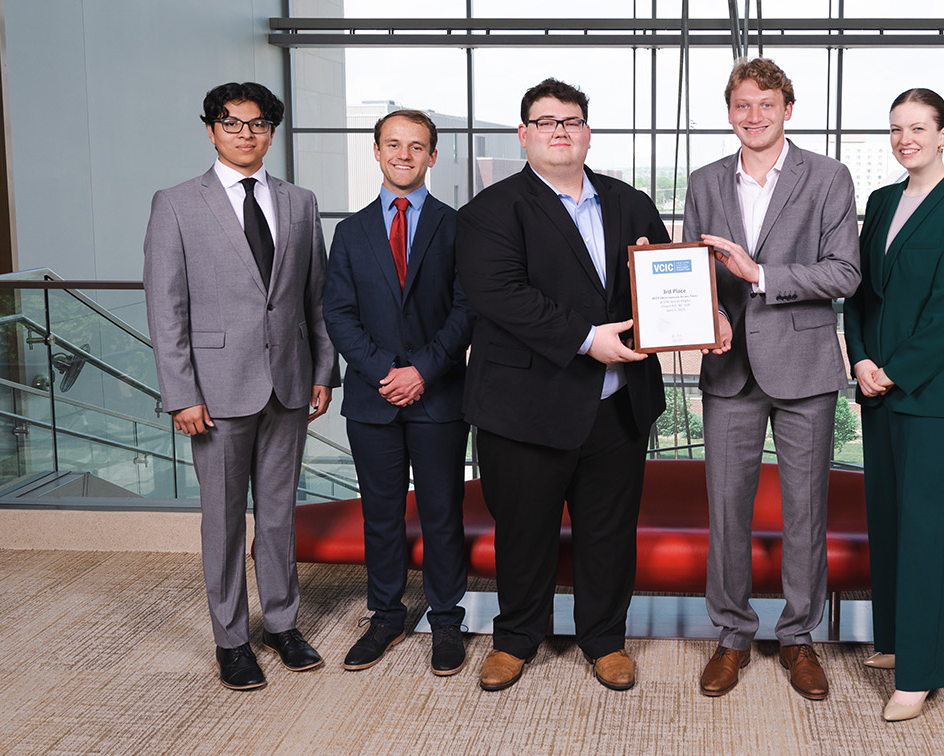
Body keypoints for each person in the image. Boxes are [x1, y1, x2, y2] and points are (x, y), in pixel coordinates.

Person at [456, 78, 669, 693]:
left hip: (616, 405)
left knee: (609, 532)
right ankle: (517, 638)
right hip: (525, 409)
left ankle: (603, 640)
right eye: (544, 121)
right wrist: (587, 339)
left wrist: (697, 314)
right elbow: (503, 297)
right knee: (524, 530)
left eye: (570, 120)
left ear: (587, 132)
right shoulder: (490, 211)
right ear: (523, 134)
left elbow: (656, 284)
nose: (559, 130)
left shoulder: (630, 204)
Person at [144, 81, 338, 691]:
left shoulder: (300, 202)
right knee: (223, 521)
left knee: (278, 516)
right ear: (211, 129)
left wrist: (321, 372)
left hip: (288, 385)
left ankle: (282, 625)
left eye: (257, 124)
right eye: (232, 123)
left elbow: (317, 300)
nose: (245, 133)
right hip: (215, 390)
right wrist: (180, 392)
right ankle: (231, 640)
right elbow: (165, 305)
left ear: (272, 132)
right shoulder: (175, 203)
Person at [683, 58, 861, 701]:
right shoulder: (704, 182)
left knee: (805, 510)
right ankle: (732, 635)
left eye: (766, 104)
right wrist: (710, 319)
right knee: (726, 511)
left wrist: (761, 275)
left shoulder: (829, 178)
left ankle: (798, 637)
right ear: (729, 113)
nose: (753, 116)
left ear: (789, 108)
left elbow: (844, 273)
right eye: (741, 105)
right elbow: (692, 272)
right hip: (728, 365)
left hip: (804, 366)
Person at [841, 88, 944, 721]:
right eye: (897, 129)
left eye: (918, 128)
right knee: (887, 519)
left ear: (943, 134)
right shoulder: (881, 202)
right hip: (877, 383)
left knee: (926, 530)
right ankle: (896, 641)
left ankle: (922, 670)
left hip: (932, 391)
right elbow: (859, 293)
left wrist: (895, 371)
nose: (906, 139)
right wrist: (860, 360)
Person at [322, 109, 477, 676]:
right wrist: (386, 369)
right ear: (377, 151)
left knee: (442, 513)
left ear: (432, 156)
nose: (404, 155)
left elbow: (467, 310)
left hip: (437, 396)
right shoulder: (350, 231)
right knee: (381, 515)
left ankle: (444, 620)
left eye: (416, 146)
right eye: (394, 145)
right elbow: (337, 312)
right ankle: (385, 616)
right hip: (372, 398)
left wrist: (422, 372)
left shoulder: (458, 226)